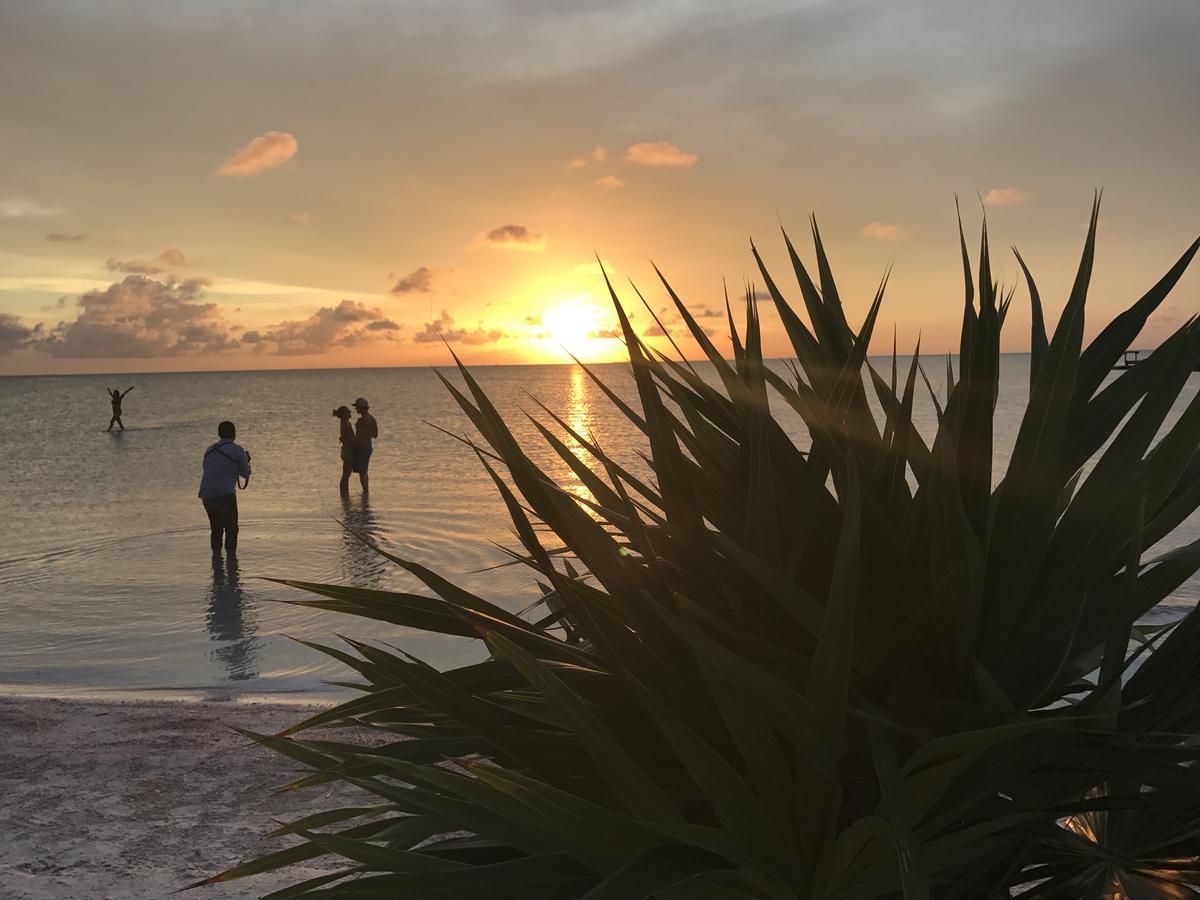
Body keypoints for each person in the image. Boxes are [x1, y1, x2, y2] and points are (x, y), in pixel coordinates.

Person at [198, 420, 251, 557]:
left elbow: (210, 469)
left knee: (216, 528)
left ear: (219, 434)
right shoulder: (237, 450)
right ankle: (232, 563)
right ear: (234, 434)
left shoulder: (209, 450)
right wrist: (246, 461)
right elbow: (245, 473)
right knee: (231, 528)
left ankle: (217, 565)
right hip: (225, 494)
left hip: (206, 494)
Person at [351, 397, 378, 493]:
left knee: (362, 472)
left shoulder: (362, 420)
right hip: (368, 447)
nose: (356, 409)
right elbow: (375, 435)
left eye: (357, 407)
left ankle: (365, 492)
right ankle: (366, 494)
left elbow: (359, 436)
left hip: (362, 448)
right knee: (364, 471)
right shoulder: (372, 418)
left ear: (361, 408)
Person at [333, 405, 354, 492]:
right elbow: (347, 437)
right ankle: (344, 493)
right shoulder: (345, 423)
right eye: (348, 411)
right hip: (347, 451)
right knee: (346, 474)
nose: (350, 412)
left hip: (347, 450)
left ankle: (345, 495)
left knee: (346, 474)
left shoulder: (346, 423)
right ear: (345, 414)